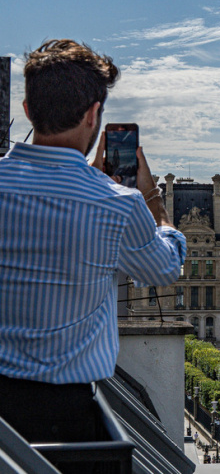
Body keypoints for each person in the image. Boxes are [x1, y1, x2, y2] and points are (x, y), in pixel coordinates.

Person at [0, 39, 186, 444]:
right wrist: (154, 202)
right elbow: (165, 267)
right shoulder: (117, 204)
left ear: (28, 110)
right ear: (94, 114)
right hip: (65, 419)